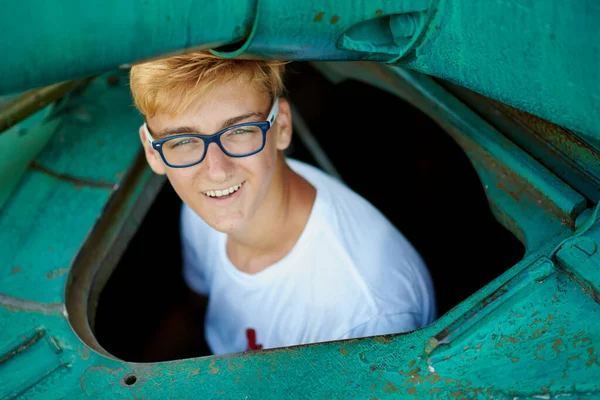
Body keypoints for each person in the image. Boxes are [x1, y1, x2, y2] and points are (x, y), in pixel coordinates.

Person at [129, 51, 436, 355]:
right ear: (152, 151)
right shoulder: (202, 211)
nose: (217, 171)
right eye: (182, 141)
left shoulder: (366, 314)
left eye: (240, 131)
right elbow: (195, 314)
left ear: (282, 126)